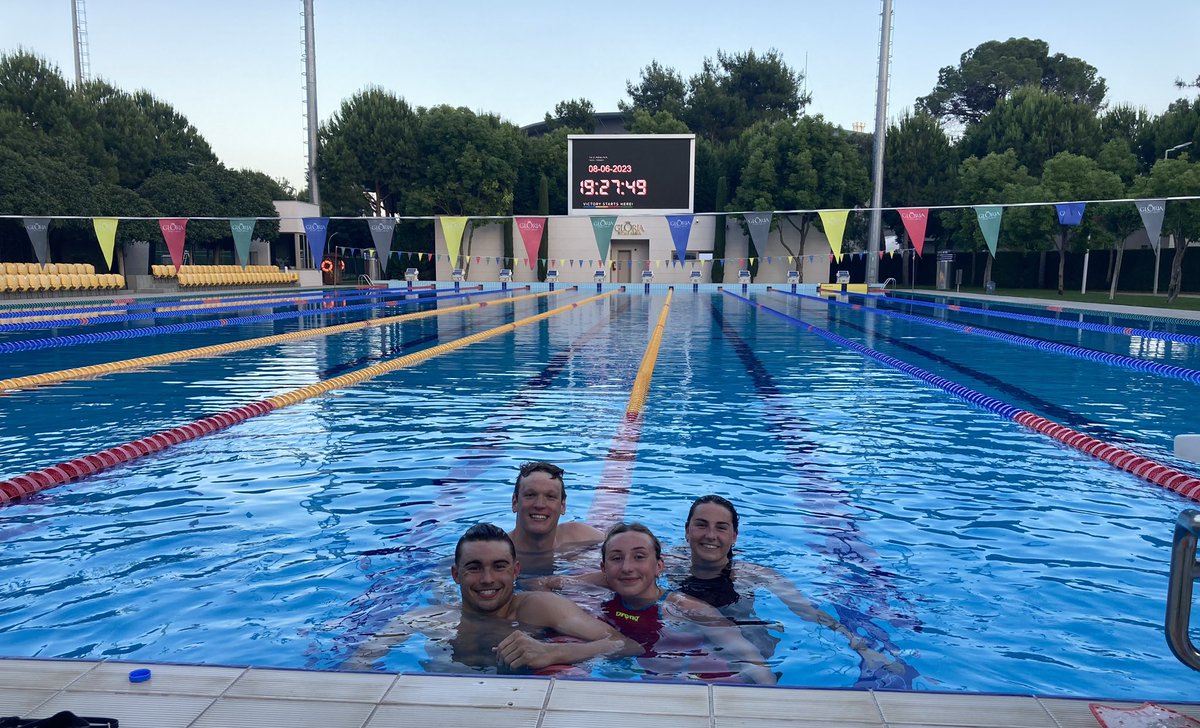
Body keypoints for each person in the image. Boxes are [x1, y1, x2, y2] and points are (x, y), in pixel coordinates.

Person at [672, 495, 915, 688]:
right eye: (701, 525)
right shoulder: (666, 565)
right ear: (687, 530)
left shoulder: (755, 575)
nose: (710, 535)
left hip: (748, 643)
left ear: (734, 536)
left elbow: (808, 612)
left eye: (721, 528)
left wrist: (861, 646)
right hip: (687, 639)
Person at [344, 523, 637, 673]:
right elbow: (357, 665)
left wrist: (554, 653)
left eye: (499, 567)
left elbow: (625, 645)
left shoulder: (540, 607)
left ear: (515, 571)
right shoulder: (428, 620)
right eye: (474, 568)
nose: (487, 579)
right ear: (456, 574)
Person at [537, 522, 778, 685]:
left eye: (639, 557)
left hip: (693, 677)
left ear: (659, 566)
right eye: (616, 559)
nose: (627, 567)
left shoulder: (686, 608)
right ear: (604, 569)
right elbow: (538, 585)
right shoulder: (604, 595)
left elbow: (749, 658)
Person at [508, 461, 603, 573]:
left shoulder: (581, 537)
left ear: (562, 505)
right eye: (530, 495)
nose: (540, 505)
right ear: (515, 502)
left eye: (550, 496)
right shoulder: (498, 551)